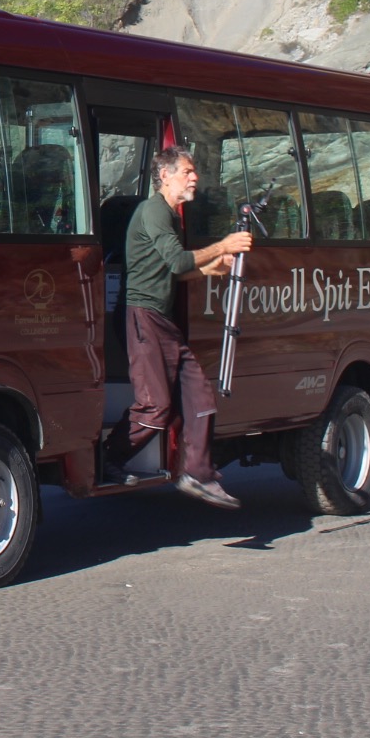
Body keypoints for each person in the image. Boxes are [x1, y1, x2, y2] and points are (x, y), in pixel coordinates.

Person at [102, 145, 253, 509]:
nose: (194, 177)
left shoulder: (167, 214)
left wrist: (205, 269)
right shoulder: (154, 211)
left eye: (193, 171)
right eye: (187, 171)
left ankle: (199, 474)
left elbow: (174, 268)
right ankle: (108, 459)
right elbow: (176, 259)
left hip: (162, 322)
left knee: (201, 396)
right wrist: (224, 246)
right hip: (143, 317)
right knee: (155, 406)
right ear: (166, 175)